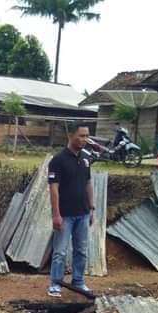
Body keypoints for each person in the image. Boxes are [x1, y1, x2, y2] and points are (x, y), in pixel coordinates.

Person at [47, 123, 94, 298]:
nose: (84, 140)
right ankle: (56, 284)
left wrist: (92, 208)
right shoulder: (58, 160)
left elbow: (88, 183)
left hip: (82, 213)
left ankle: (79, 282)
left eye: (87, 136)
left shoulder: (85, 159)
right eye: (81, 136)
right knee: (60, 251)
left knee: (81, 250)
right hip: (65, 215)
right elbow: (53, 188)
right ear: (71, 136)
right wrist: (56, 214)